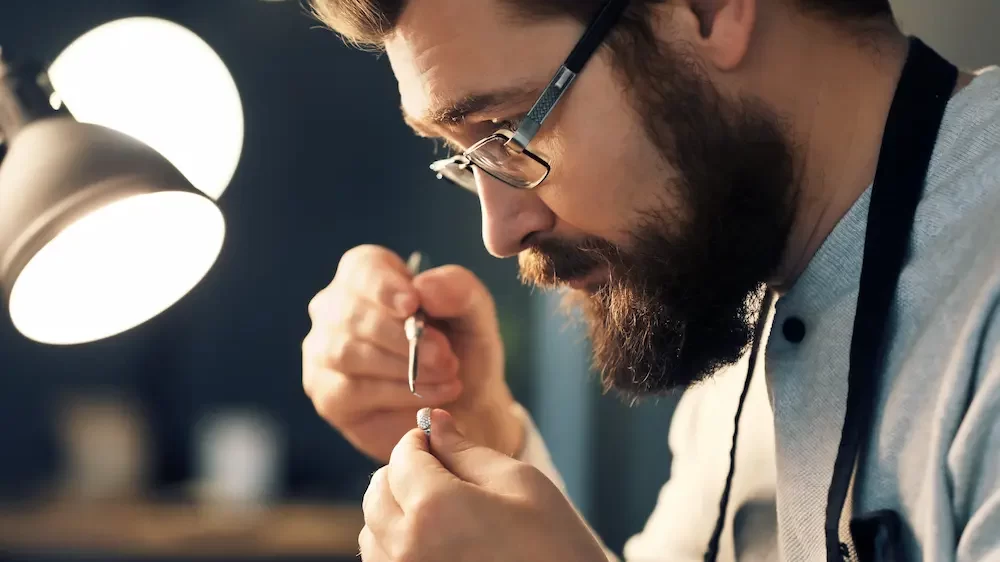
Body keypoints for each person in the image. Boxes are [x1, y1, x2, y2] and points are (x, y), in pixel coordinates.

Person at [299, 0, 1000, 559]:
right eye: (464, 158)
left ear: (708, 9)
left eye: (510, 128)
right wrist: (485, 437)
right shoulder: (735, 270)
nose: (500, 232)